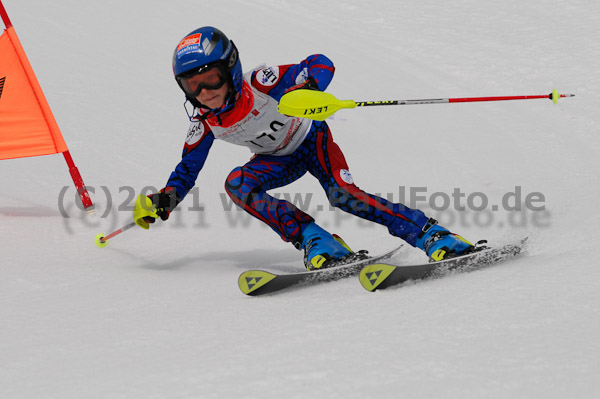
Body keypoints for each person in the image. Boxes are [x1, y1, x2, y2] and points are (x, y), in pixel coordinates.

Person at [134, 26, 477, 270]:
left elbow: (321, 62)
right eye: (192, 84)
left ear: (232, 68)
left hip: (312, 140)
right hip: (276, 161)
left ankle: (431, 234)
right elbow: (187, 171)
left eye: (212, 77)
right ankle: (316, 238)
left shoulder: (261, 83)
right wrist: (164, 200)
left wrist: (310, 88)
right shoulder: (205, 122)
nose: (205, 91)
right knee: (237, 183)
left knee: (343, 195)